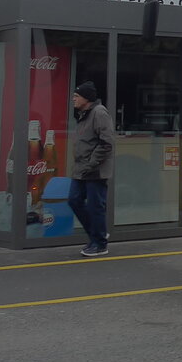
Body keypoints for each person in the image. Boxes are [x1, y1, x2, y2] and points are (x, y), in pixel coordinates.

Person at [68, 81, 116, 257]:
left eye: (77, 96)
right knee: (74, 199)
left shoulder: (99, 113)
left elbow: (107, 142)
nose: (73, 98)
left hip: (95, 169)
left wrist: (91, 163)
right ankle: (98, 233)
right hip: (81, 168)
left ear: (86, 98)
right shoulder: (83, 114)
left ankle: (100, 243)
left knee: (96, 205)